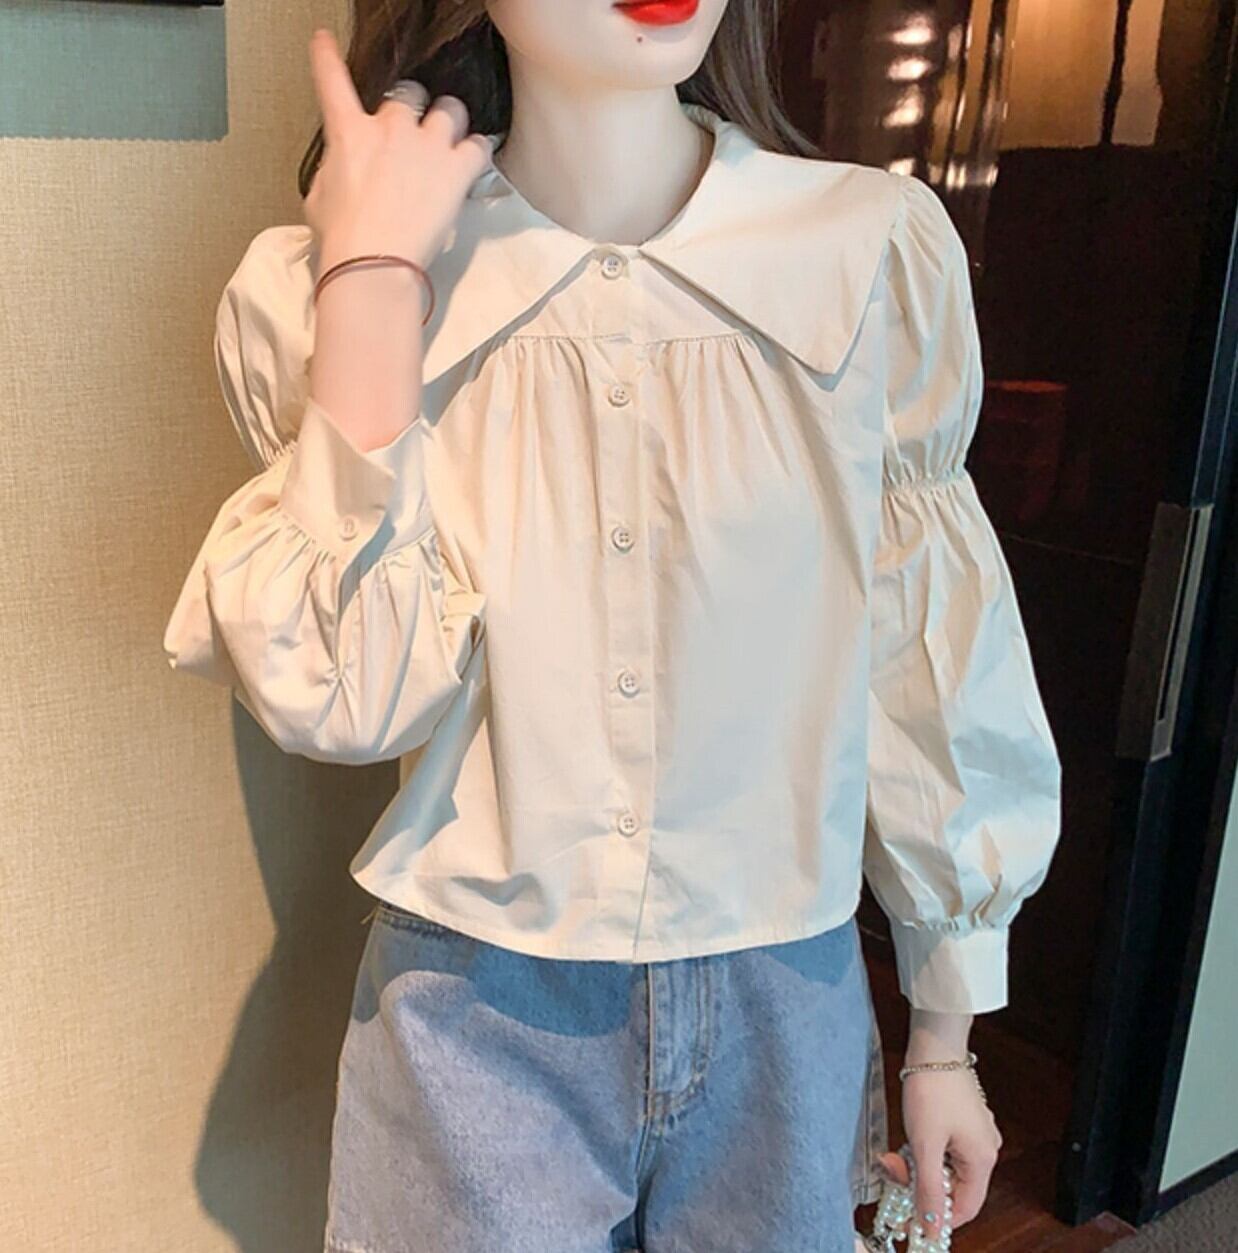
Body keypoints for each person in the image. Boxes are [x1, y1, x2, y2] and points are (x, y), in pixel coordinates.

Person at [163, 2, 1062, 1250]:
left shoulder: (865, 252)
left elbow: (927, 658)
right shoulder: (333, 287)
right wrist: (370, 275)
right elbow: (341, 695)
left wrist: (944, 1031)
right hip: (478, 1010)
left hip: (784, 996)